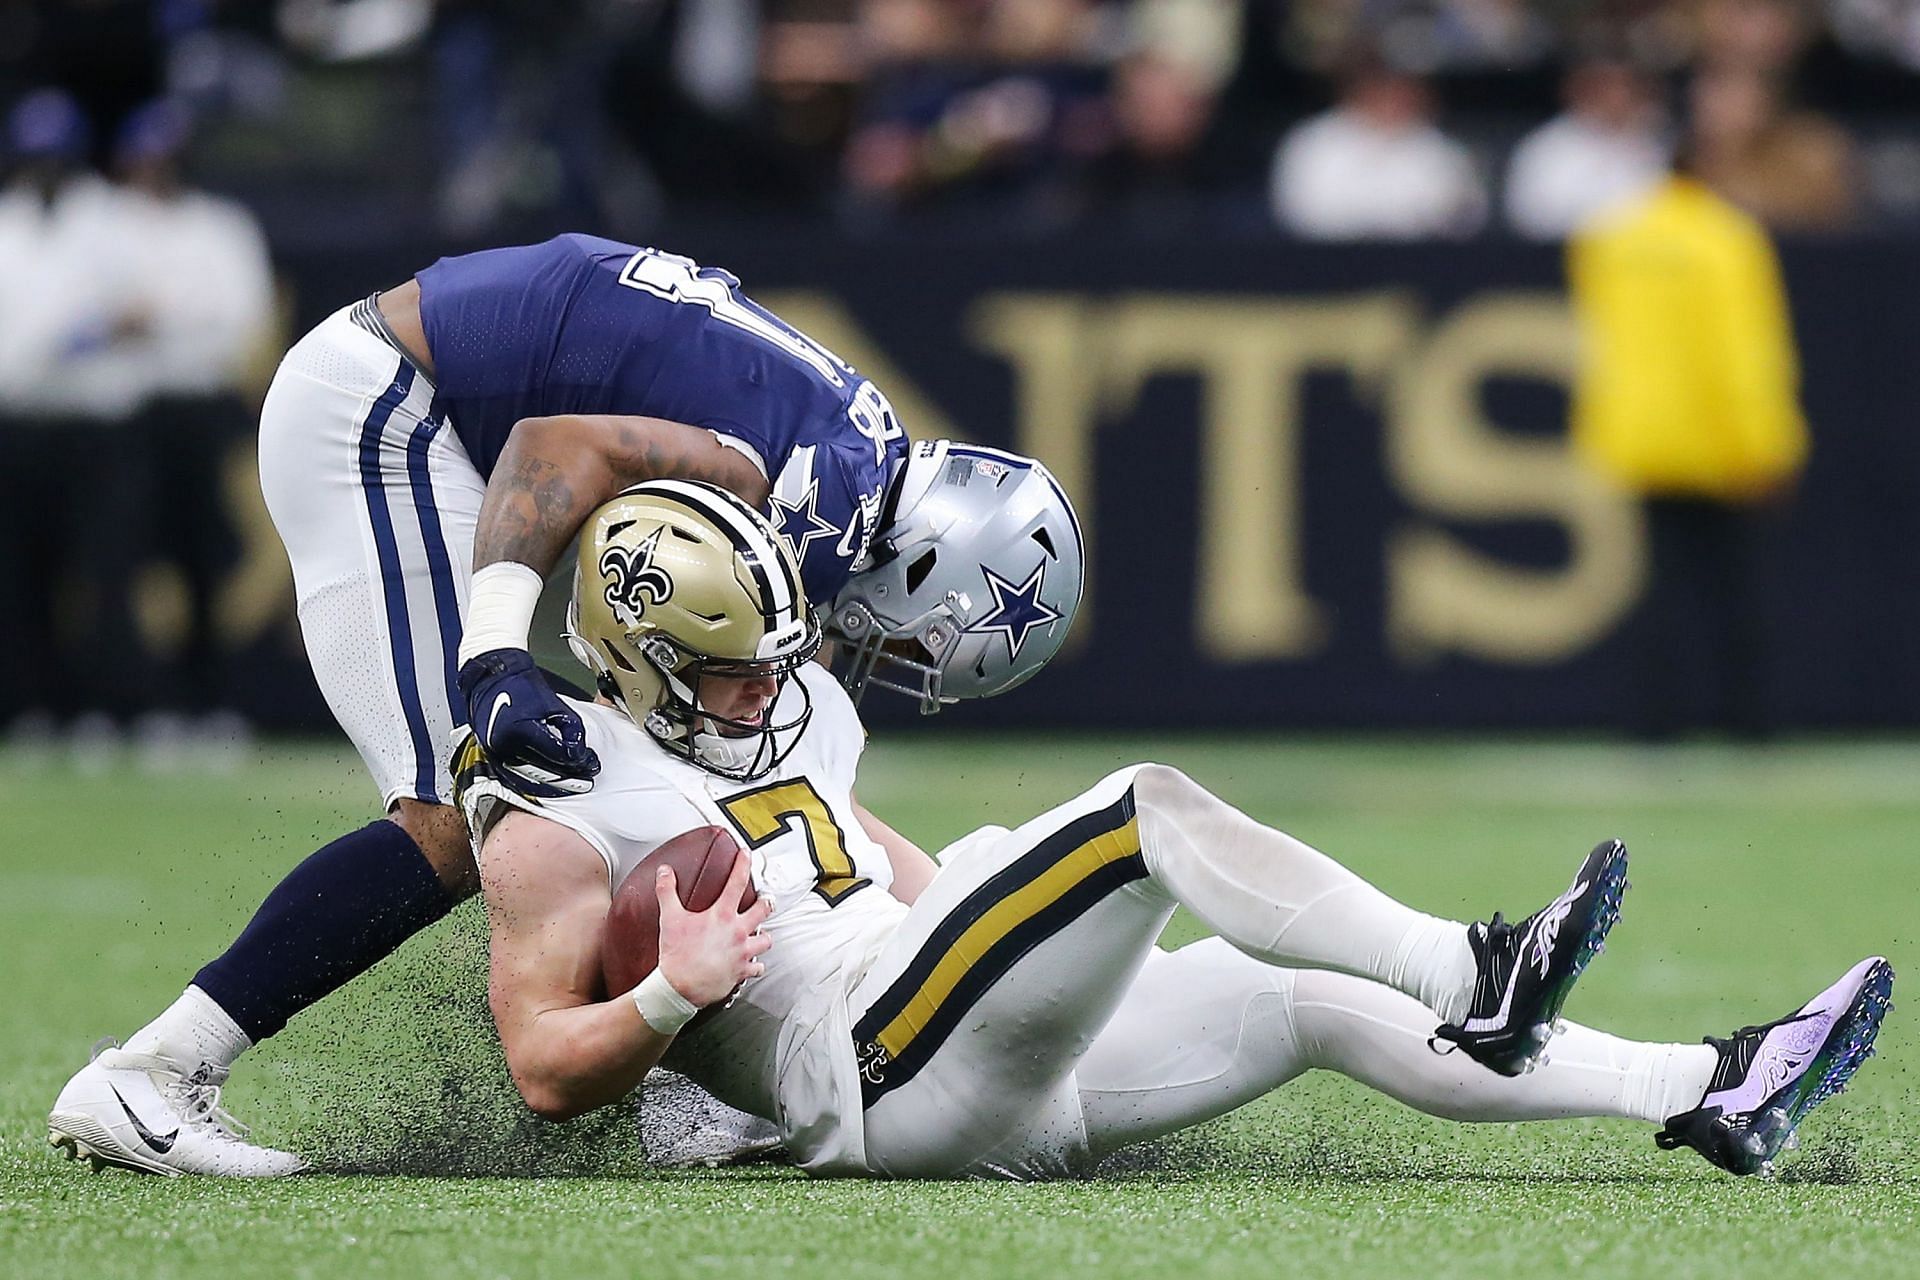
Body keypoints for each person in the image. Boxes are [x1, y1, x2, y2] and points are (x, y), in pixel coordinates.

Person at [464, 481, 1883, 1180]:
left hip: (950, 1046)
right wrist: (667, 998)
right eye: (730, 669)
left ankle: (1710, 1082)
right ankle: (1471, 971)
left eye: (777, 657)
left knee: (1305, 1002)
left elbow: (856, 866)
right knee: (1138, 807)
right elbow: (540, 1070)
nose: (767, 688)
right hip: (869, 1066)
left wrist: (957, 884)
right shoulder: (561, 790)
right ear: (630, 655)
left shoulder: (800, 720)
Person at [49, 233, 944, 1176]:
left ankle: (681, 1099)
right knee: (465, 802)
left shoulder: (852, 453)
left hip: (448, 415)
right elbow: (550, 447)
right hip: (385, 408)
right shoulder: (818, 480)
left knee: (655, 759)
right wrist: (497, 657)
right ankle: (154, 1074)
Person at [1568, 155, 1809, 738]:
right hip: (1716, 441)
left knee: (1662, 587)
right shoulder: (1726, 239)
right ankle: (1749, 723)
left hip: (1643, 437)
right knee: (1734, 588)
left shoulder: (1615, 239)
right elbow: (1743, 357)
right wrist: (1766, 445)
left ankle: (1653, 723)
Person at [1270, 52, 1487, 241]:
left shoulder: (1442, 151)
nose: (1393, 97)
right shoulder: (1313, 142)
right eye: (1382, 86)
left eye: (1402, 87)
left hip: (1419, 267)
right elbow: (1301, 213)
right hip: (1326, 267)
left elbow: (1465, 218)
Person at [1504, 54, 1668, 241]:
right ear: (1578, 89)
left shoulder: (1658, 142)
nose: (1617, 96)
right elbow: (1530, 219)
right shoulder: (1545, 149)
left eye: (1627, 86)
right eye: (1605, 86)